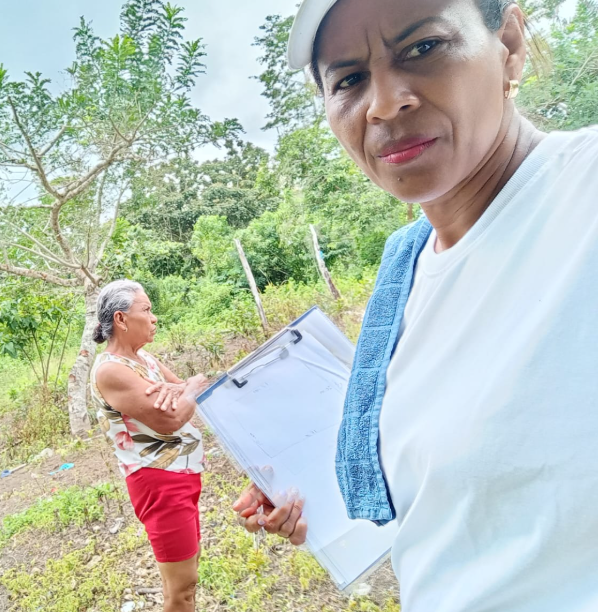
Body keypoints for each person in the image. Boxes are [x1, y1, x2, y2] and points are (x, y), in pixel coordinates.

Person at [233, 0, 598, 610]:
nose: (383, 103)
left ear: (509, 44)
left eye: (423, 47)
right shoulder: (405, 274)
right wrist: (311, 491)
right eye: (348, 80)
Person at [90, 279, 208, 612]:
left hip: (183, 473)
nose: (154, 318)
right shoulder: (111, 370)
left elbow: (183, 390)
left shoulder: (145, 360)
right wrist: (191, 387)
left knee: (188, 579)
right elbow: (171, 418)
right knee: (181, 589)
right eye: (146, 310)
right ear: (121, 319)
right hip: (158, 480)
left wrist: (186, 390)